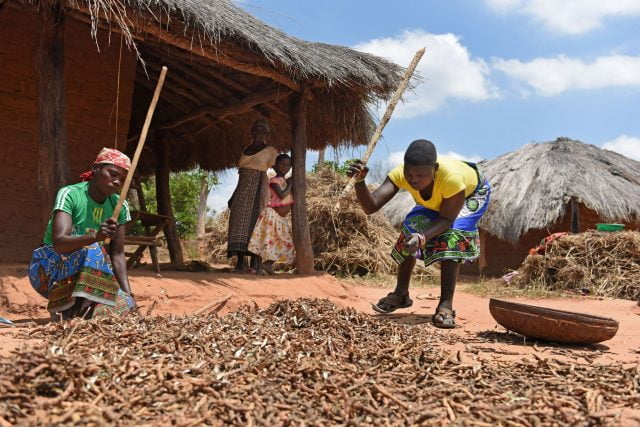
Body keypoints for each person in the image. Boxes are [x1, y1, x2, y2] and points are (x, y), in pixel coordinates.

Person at [347, 139, 490, 328]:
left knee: (451, 237)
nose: (413, 180)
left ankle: (445, 305)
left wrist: (422, 237)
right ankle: (401, 294)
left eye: (420, 175)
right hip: (440, 199)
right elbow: (371, 206)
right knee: (411, 229)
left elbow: (446, 220)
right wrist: (360, 182)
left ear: (435, 169)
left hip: (471, 194)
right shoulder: (402, 174)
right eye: (409, 174)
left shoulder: (451, 179)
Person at [28, 148, 136, 320]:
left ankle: (78, 311)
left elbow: (117, 253)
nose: (117, 182)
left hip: (87, 270)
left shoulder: (119, 206)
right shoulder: (70, 194)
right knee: (92, 249)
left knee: (124, 305)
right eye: (113, 174)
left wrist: (129, 296)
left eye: (122, 179)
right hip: (48, 268)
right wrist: (95, 237)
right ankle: (63, 307)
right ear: (96, 170)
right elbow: (59, 243)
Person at [227, 119, 279, 273]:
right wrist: (233, 195)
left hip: (258, 187)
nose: (259, 132)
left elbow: (279, 170)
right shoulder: (246, 150)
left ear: (267, 134)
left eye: (262, 130)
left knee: (257, 223)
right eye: (257, 129)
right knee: (238, 223)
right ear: (252, 131)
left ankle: (256, 263)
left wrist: (276, 191)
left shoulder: (270, 151)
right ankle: (240, 262)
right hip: (242, 189)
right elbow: (240, 176)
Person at [248, 154, 295, 275]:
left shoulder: (284, 180)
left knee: (285, 241)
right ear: (274, 165)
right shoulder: (274, 181)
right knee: (264, 240)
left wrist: (290, 183)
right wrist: (290, 184)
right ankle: (258, 268)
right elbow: (282, 195)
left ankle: (268, 264)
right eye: (282, 164)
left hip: (280, 219)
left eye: (288, 165)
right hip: (272, 216)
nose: (285, 166)